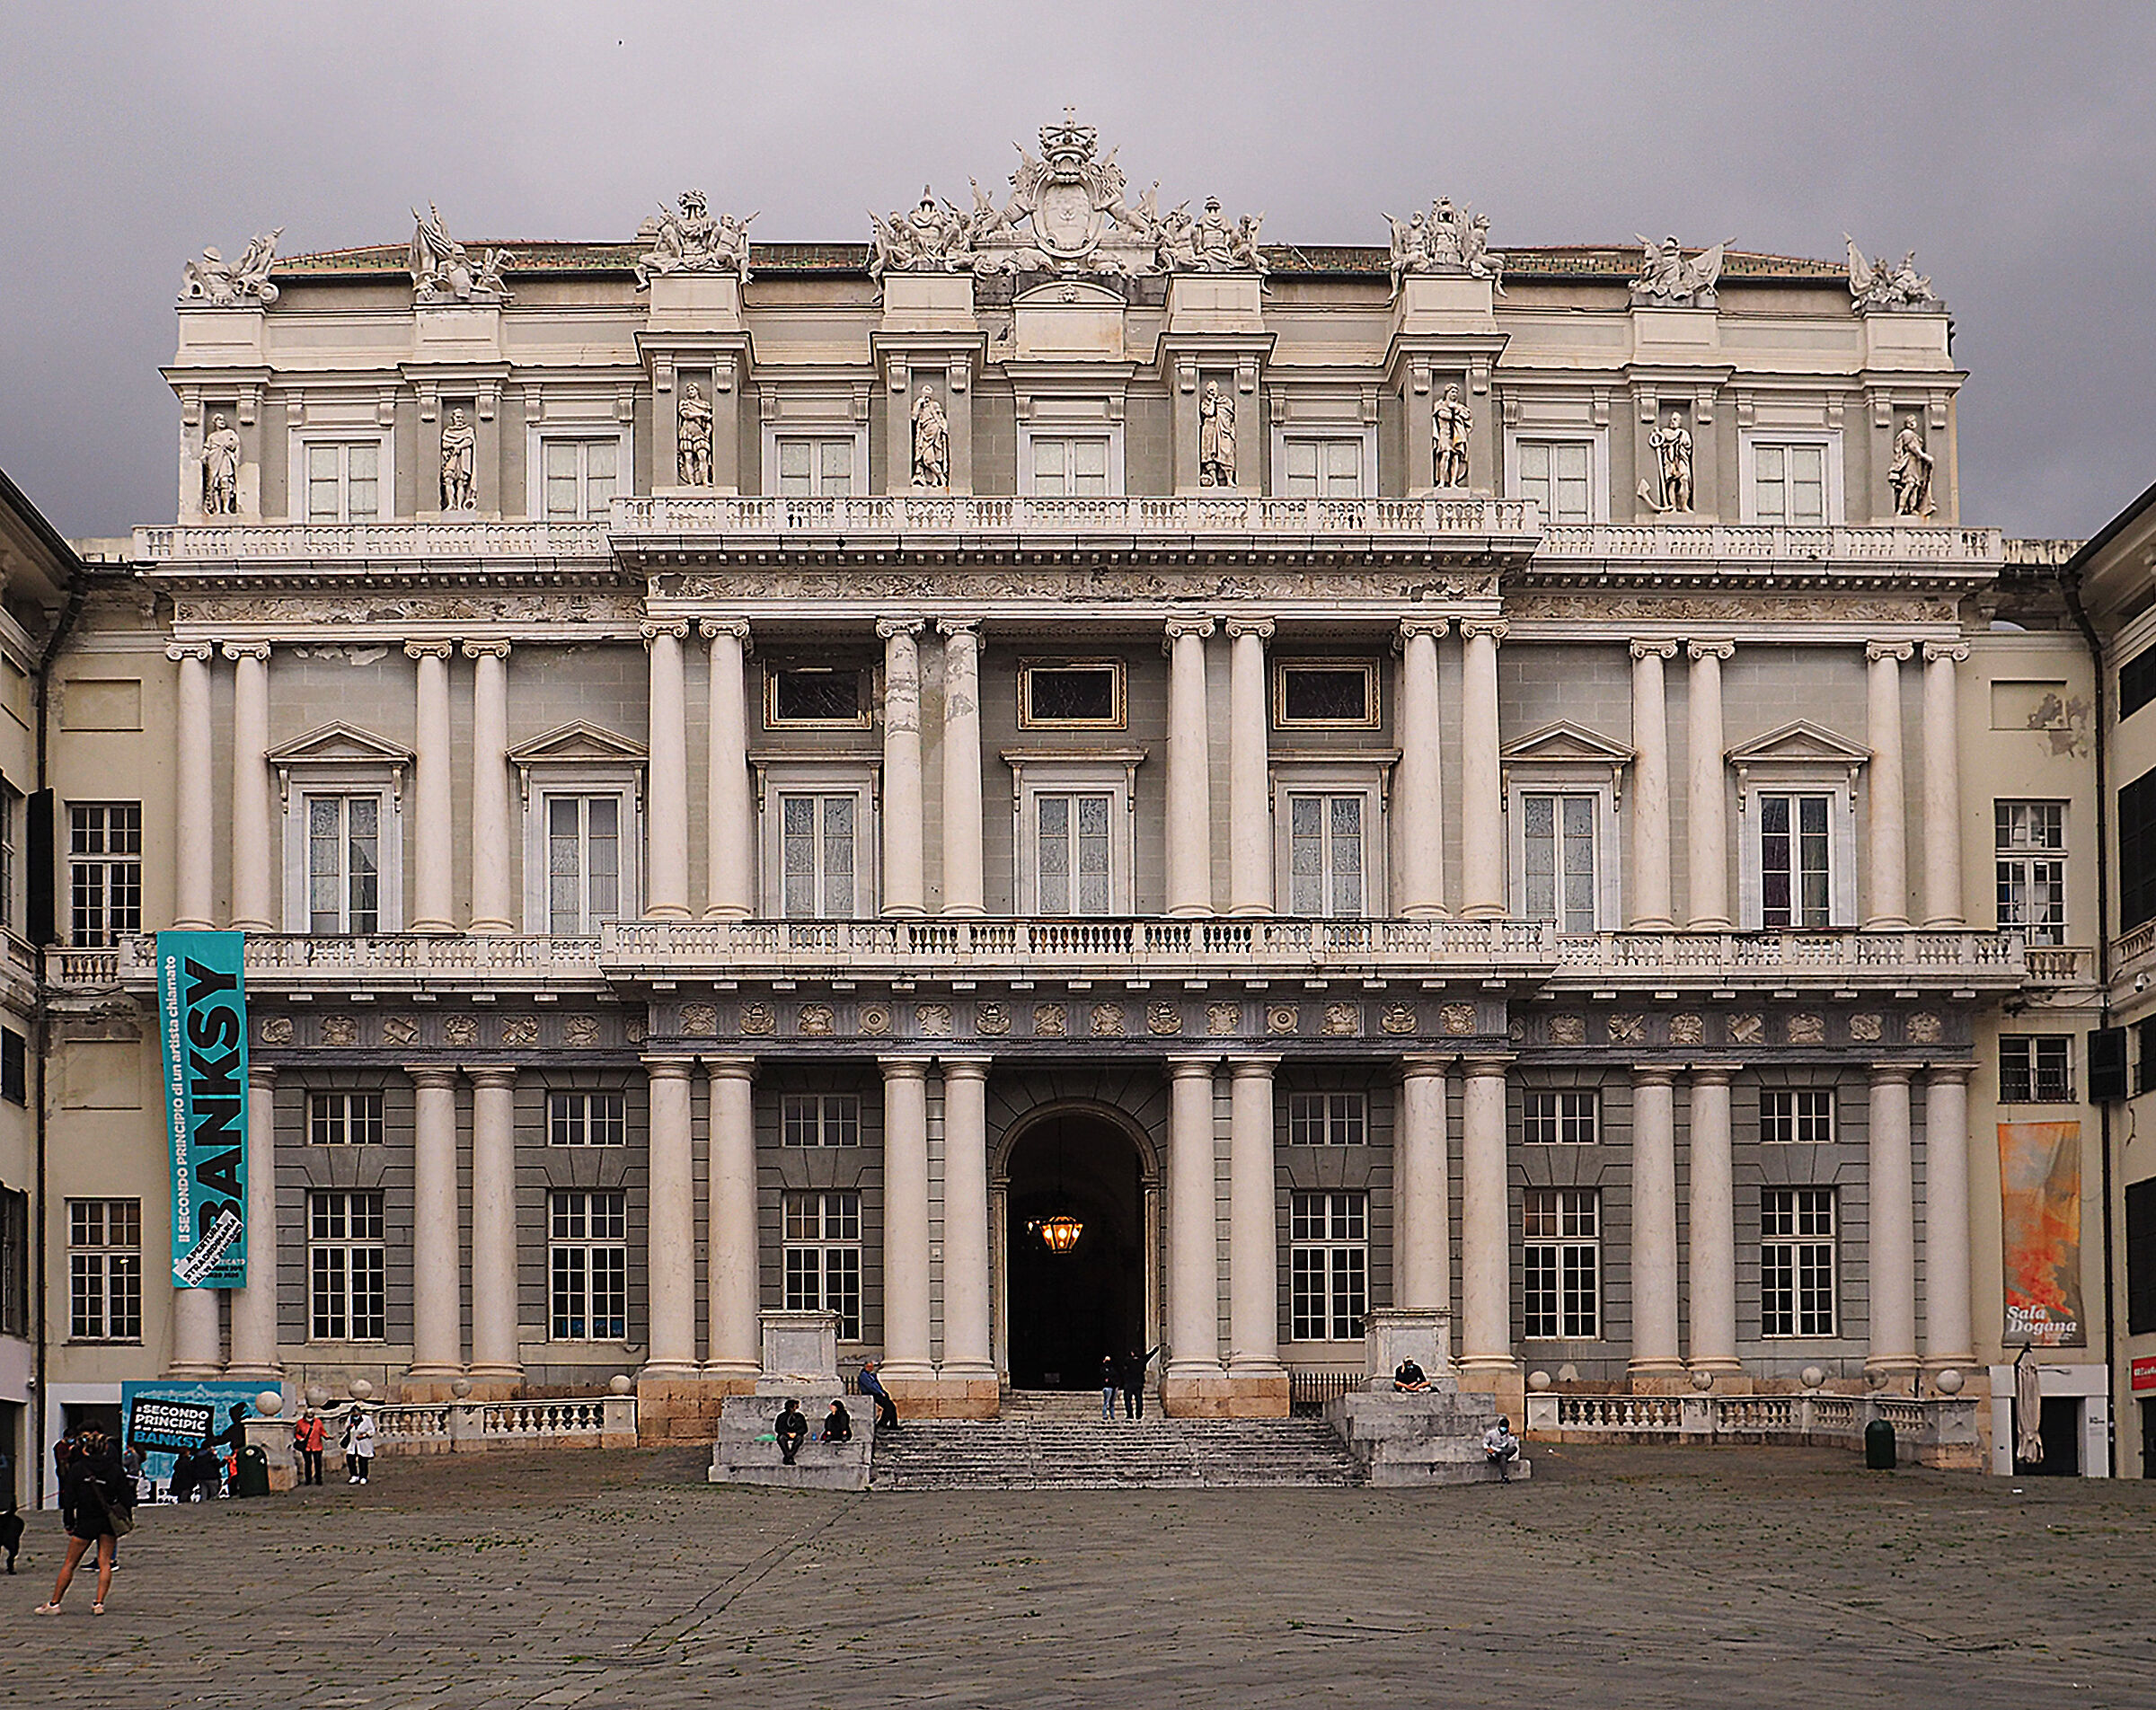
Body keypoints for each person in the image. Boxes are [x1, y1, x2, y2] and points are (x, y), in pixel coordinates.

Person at [36, 1425, 125, 1615]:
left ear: (86, 1449)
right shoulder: (116, 1470)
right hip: (107, 1521)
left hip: (85, 1519)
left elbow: (69, 1499)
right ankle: (99, 1603)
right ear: (106, 1449)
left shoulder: (78, 1469)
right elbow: (127, 1498)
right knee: (105, 1562)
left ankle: (54, 1603)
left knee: (70, 1563)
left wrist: (68, 1522)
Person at [857, 1360, 899, 1431]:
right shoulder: (864, 1376)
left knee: (892, 1406)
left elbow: (878, 1385)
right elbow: (870, 1386)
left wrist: (883, 1391)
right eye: (869, 1366)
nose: (871, 1368)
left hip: (878, 1393)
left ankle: (893, 1424)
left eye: (872, 1366)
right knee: (888, 1407)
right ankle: (882, 1423)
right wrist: (880, 1392)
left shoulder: (872, 1375)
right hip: (872, 1394)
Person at [1123, 1345, 1161, 1420]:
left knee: (1128, 1400)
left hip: (1129, 1383)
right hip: (1139, 1383)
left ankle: (1130, 1414)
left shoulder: (1128, 1361)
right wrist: (1156, 1350)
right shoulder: (1142, 1360)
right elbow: (1149, 1356)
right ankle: (1139, 1414)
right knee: (1139, 1399)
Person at [294, 1407, 327, 1487]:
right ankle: (308, 1479)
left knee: (318, 1463)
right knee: (308, 1463)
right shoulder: (300, 1423)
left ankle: (318, 1479)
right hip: (306, 1446)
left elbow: (322, 1431)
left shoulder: (318, 1422)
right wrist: (300, 1439)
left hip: (317, 1445)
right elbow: (297, 1433)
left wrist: (327, 1436)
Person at [1483, 1415, 1521, 1483]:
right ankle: (1504, 1477)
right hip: (1493, 1452)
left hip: (1502, 1452)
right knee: (1503, 1457)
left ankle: (1499, 1453)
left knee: (1512, 1449)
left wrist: (1512, 1436)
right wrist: (1488, 1448)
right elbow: (1485, 1443)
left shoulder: (1508, 1435)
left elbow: (1512, 1445)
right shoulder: (1491, 1433)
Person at [345, 1406, 375, 1485]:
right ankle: (354, 1475)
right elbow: (346, 1428)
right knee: (350, 1458)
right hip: (353, 1443)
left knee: (363, 1460)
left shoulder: (366, 1419)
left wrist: (364, 1435)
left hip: (363, 1442)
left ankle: (363, 1476)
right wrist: (350, 1427)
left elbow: (372, 1430)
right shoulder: (350, 1419)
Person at [773, 1399, 808, 1466]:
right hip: (785, 1434)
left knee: (799, 1439)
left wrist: (796, 1433)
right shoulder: (781, 1416)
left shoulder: (800, 1416)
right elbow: (778, 1428)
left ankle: (788, 1456)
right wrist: (787, 1433)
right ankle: (789, 1456)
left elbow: (804, 1428)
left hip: (796, 1434)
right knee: (781, 1438)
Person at [1100, 1353, 1119, 1423]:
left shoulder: (1113, 1369)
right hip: (1107, 1387)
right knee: (1107, 1402)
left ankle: (1112, 1415)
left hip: (1113, 1387)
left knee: (1112, 1403)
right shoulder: (1103, 1369)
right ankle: (1105, 1415)